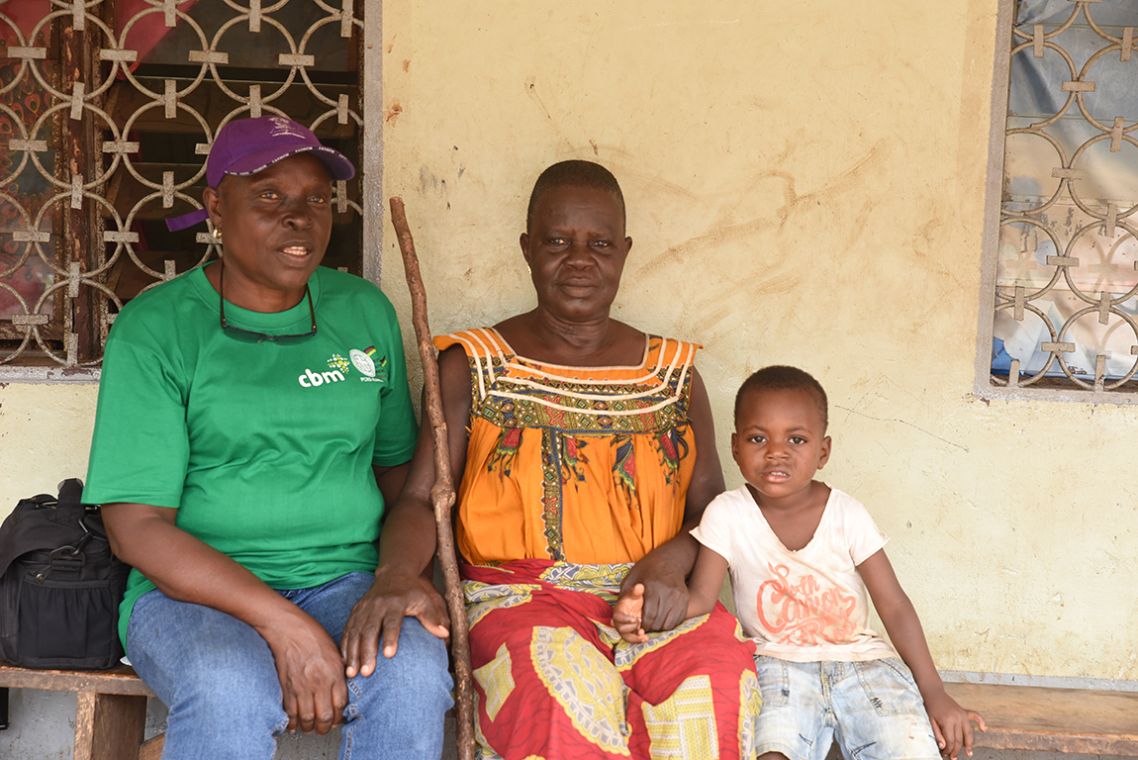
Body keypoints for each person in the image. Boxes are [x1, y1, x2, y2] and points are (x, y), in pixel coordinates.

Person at [357, 159, 760, 759]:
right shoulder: (471, 366)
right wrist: (395, 575)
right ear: (526, 248)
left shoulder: (673, 376)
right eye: (557, 241)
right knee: (555, 695)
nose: (579, 260)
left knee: (717, 680)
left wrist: (670, 565)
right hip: (521, 601)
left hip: (656, 598)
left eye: (600, 243)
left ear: (624, 252)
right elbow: (421, 499)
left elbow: (713, 510)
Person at [83, 115, 453, 760]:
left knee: (414, 673)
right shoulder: (159, 328)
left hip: (347, 579)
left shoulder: (362, 310)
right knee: (228, 685)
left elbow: (403, 483)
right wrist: (287, 627)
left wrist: (398, 577)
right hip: (193, 594)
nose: (299, 217)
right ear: (215, 209)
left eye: (315, 199)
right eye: (268, 198)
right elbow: (135, 527)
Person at [615, 365, 987, 760]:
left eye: (796, 439)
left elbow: (894, 605)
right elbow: (701, 599)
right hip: (776, 666)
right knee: (772, 751)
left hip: (864, 666)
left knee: (910, 750)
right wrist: (645, 614)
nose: (776, 451)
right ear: (736, 447)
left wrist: (935, 692)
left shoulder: (846, 513)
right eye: (758, 438)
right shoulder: (727, 513)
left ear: (822, 452)